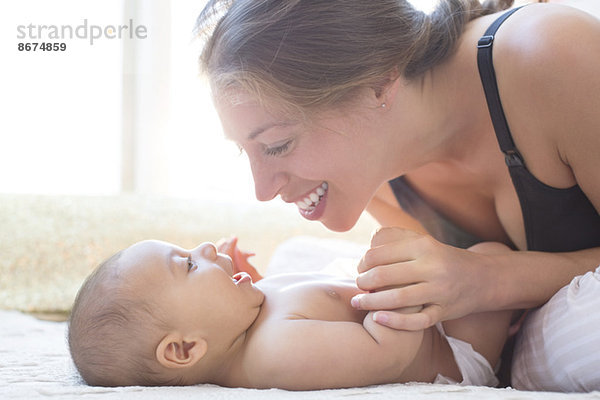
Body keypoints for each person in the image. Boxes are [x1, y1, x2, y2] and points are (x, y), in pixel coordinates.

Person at [195, 0, 600, 390]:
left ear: (377, 83)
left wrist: (485, 279)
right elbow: (448, 339)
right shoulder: (376, 173)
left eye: (277, 144)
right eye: (243, 150)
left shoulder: (552, 55)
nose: (262, 191)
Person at [68, 238, 514, 389]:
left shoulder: (241, 321)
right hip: (449, 345)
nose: (204, 248)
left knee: (474, 258)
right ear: (185, 348)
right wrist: (396, 282)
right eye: (187, 265)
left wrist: (242, 278)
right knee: (492, 254)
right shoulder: (276, 352)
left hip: (421, 315)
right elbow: (388, 352)